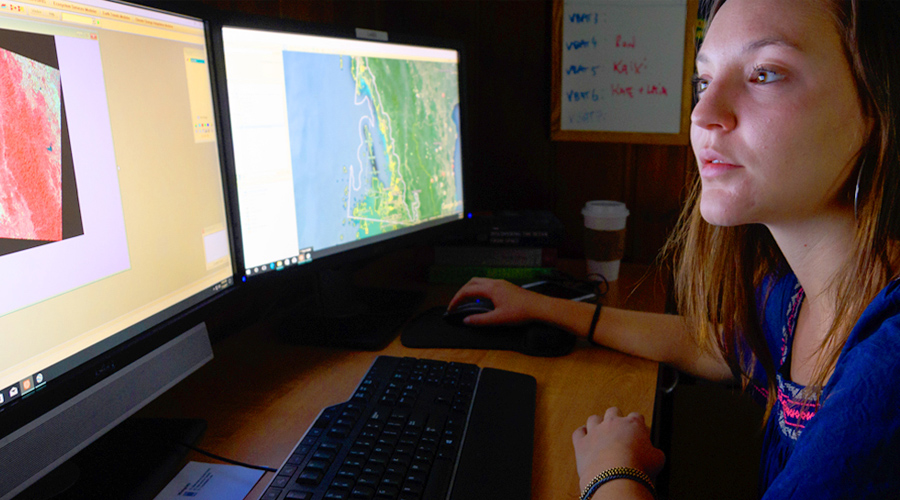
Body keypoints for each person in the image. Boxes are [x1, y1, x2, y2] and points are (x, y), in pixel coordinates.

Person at [447, 0, 900, 498]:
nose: (704, 114)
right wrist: (542, 306)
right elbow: (714, 344)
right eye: (703, 83)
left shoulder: (887, 373)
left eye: (765, 74)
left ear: (876, 112)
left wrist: (612, 470)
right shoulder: (802, 294)